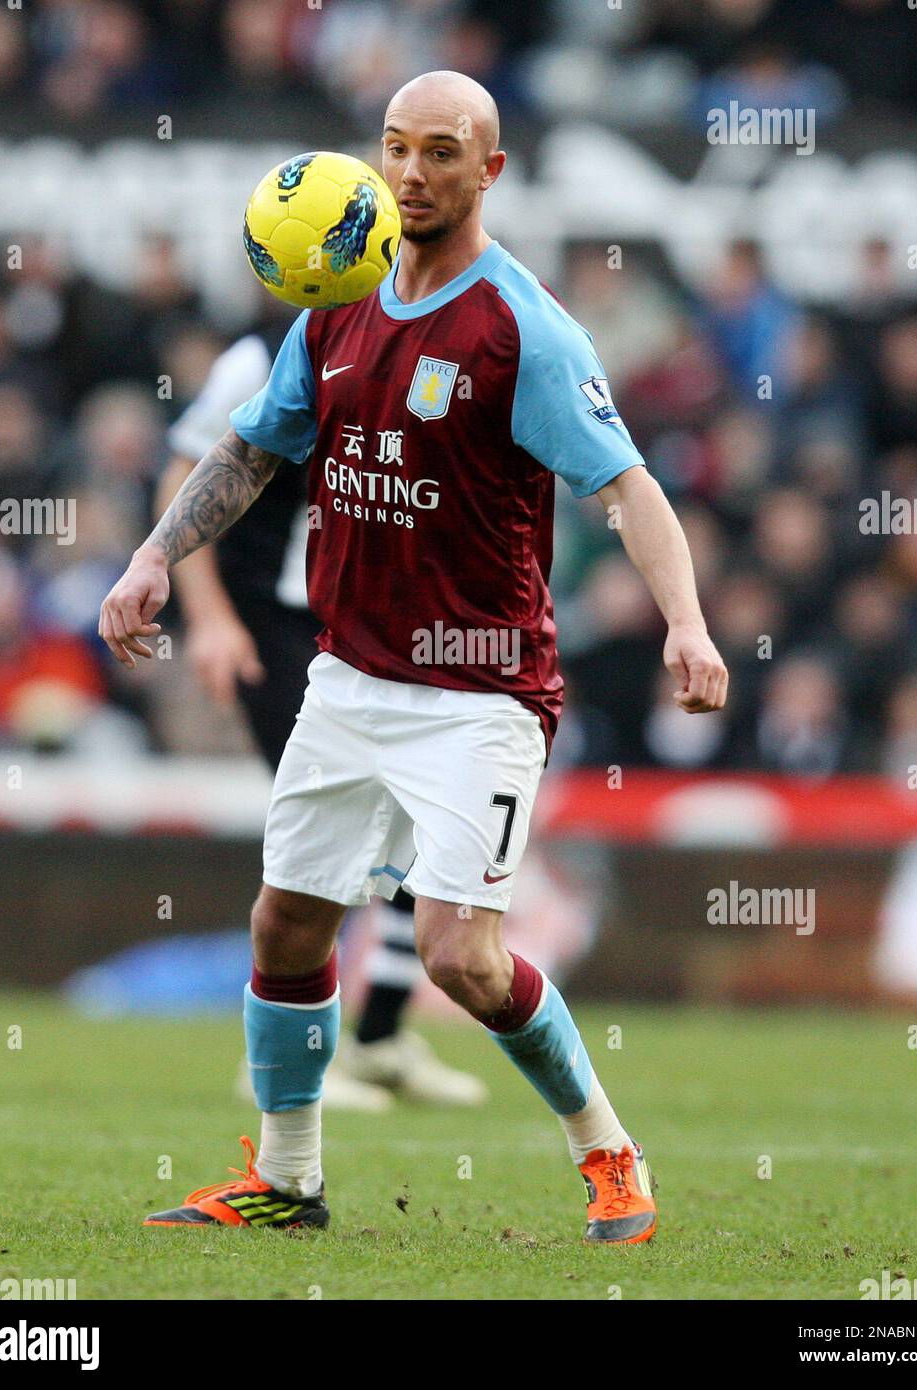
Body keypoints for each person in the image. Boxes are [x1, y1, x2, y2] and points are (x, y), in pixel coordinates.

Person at [99, 70, 728, 1244]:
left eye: (442, 152)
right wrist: (149, 558)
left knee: (460, 958)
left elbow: (628, 486)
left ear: (488, 172)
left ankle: (610, 1152)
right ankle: (286, 1179)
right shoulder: (332, 302)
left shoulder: (522, 329)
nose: (412, 171)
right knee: (285, 924)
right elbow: (246, 451)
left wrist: (686, 623)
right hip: (346, 675)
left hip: (479, 688)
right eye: (397, 147)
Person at [157, 325, 487, 1110]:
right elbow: (183, 476)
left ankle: (376, 1038)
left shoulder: (427, 342)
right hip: (274, 623)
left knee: (428, 813)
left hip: (371, 623)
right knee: (327, 832)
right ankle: (280, 1055)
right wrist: (208, 616)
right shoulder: (263, 352)